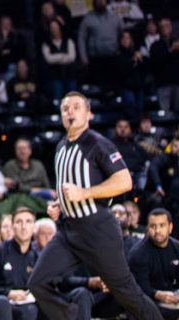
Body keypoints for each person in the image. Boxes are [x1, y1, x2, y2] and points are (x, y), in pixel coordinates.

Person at [27, 92, 163, 320]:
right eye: (65, 108)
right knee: (37, 282)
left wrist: (84, 194)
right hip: (69, 230)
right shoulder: (61, 146)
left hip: (98, 229)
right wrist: (59, 204)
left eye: (76, 107)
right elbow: (70, 185)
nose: (70, 111)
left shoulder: (98, 143)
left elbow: (124, 181)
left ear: (88, 114)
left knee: (125, 291)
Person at [0, 207, 39, 320]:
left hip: (30, 304)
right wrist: (9, 293)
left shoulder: (39, 256)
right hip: (4, 303)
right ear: (12, 226)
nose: (24, 226)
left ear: (34, 227)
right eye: (19, 222)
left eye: (28, 222)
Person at [129, 208, 179, 318]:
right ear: (147, 228)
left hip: (172, 295)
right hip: (147, 300)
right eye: (153, 226)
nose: (157, 231)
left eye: (162, 225)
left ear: (170, 227)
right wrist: (158, 294)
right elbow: (139, 289)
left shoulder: (177, 248)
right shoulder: (138, 253)